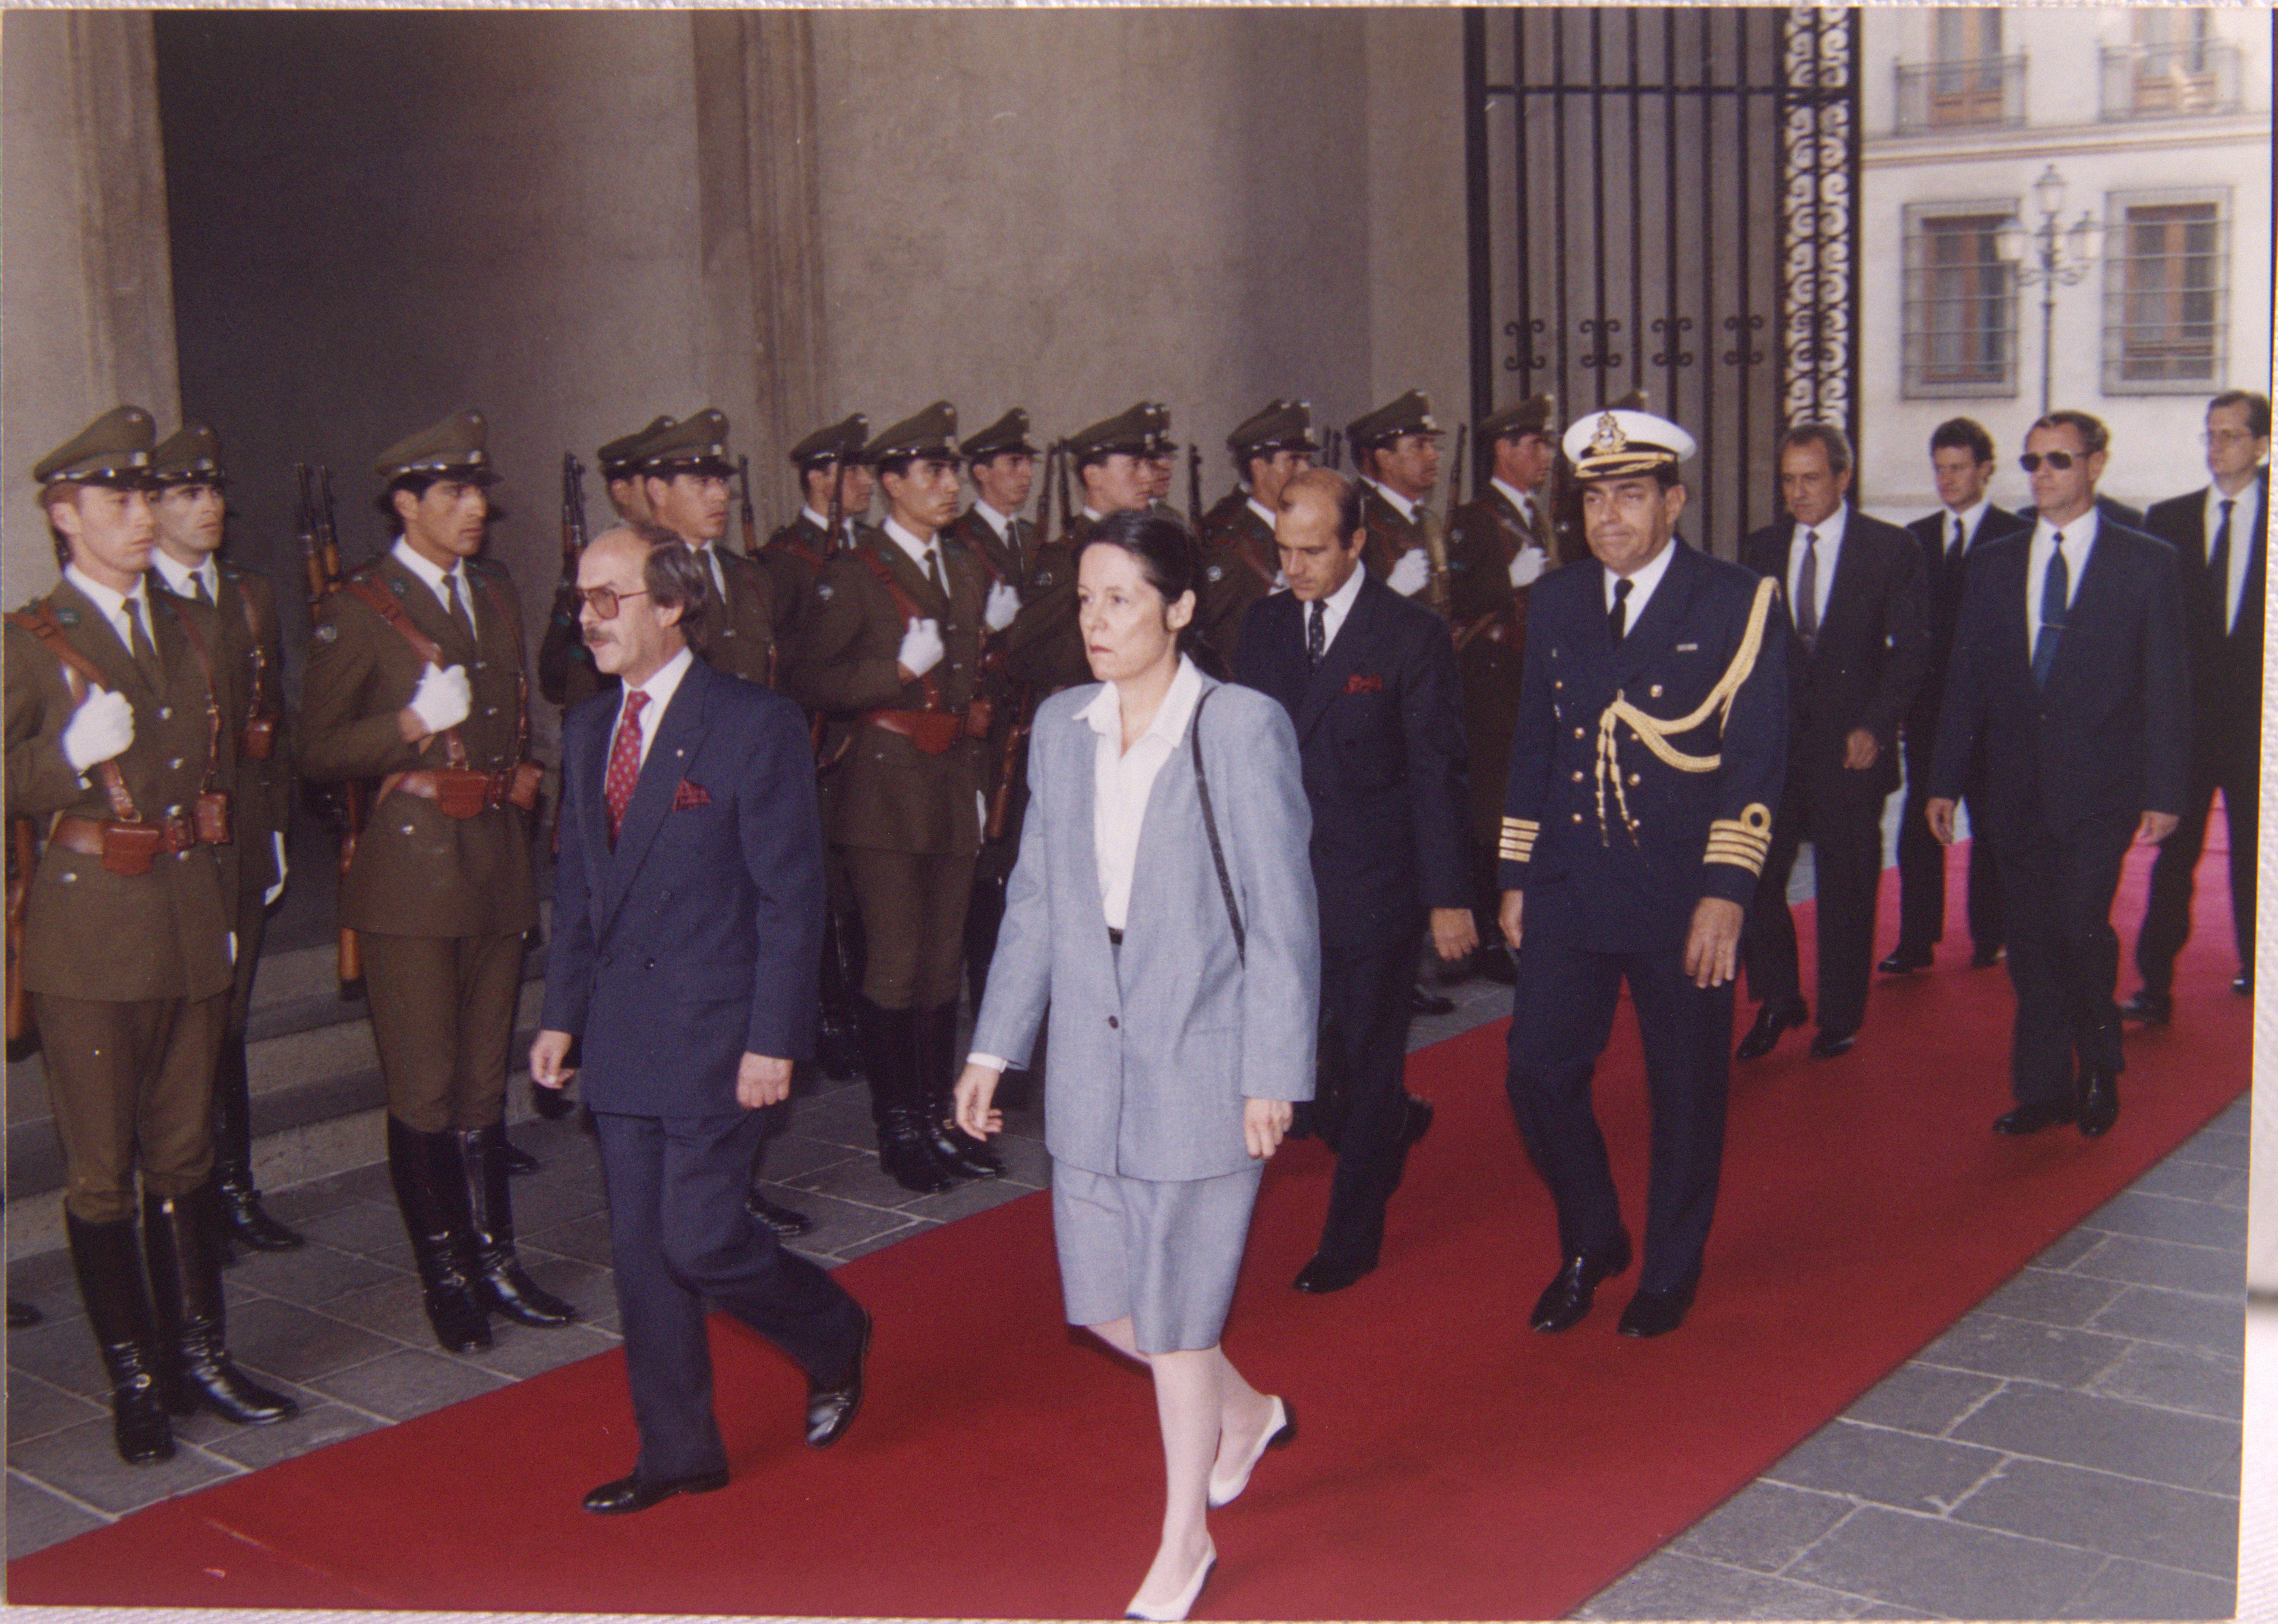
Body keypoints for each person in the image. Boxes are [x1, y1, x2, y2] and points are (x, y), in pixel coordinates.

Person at [954, 508, 1317, 1622]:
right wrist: (993, 1043)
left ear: (1181, 608)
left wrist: (1272, 1071)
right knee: (1106, 1308)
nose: (1096, 621)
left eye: (1121, 598)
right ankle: (1247, 1412)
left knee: (1172, 1323)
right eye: (1085, 599)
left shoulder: (1237, 728)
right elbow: (1033, 900)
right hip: (1090, 1071)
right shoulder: (1062, 725)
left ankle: (1183, 1541)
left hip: (1201, 1059)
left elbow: (1281, 915)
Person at [530, 522, 870, 1516]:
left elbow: (788, 896)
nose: (587, 619)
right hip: (627, 1036)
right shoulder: (591, 729)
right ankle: (678, 1450)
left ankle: (832, 1329)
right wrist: (561, 1016)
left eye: (608, 598)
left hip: (723, 1035)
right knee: (643, 1258)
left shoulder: (750, 723)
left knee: (702, 1240)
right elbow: (580, 888)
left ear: (671, 605)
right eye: (580, 599)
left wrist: (775, 1035)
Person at [5, 406, 297, 1463]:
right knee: (100, 1172)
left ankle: (199, 1355)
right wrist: (62, 761)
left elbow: (216, 778)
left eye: (146, 496)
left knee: (185, 1151)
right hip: (91, 938)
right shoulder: (29, 644)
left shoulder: (191, 629)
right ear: (63, 516)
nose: (142, 516)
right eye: (118, 500)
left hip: (187, 916)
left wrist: (226, 907)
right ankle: (133, 1377)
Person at [1499, 404, 1788, 1338]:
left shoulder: (1738, 601)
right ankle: (1594, 1237)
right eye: (1594, 499)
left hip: (1680, 895)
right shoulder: (1559, 598)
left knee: (1686, 1090)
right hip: (1571, 885)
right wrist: (1514, 874)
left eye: (1631, 496)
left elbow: (1756, 760)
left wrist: (1728, 894)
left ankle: (1671, 1263)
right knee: (1537, 1073)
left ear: (1676, 500)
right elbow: (1537, 741)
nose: (1610, 518)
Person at [299, 408, 576, 1353]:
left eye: (478, 493)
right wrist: (410, 726)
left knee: (481, 1086)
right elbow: (317, 747)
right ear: (407, 503)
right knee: (424, 1088)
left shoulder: (493, 591)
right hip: (411, 876)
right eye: (454, 493)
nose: (475, 509)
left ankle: (498, 1260)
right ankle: (448, 1278)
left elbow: (521, 715)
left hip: (493, 858)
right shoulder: (357, 608)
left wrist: (528, 772)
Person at [1233, 469, 1470, 1294]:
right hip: (1280, 883)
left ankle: (1351, 1234)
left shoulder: (1406, 634)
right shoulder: (1261, 628)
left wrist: (1446, 896)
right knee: (1308, 1079)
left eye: (1311, 551)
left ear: (1356, 543)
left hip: (1374, 881)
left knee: (1368, 1057)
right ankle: (1387, 1124)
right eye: (1283, 550)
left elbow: (1437, 771)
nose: (1292, 567)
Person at [1927, 410, 2189, 1141]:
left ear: (2094, 465)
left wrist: (2165, 790)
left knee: (2077, 926)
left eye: (2058, 461)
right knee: (2031, 940)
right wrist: (1942, 779)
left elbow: (2165, 683)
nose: (2041, 475)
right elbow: (1965, 681)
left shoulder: (2145, 562)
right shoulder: (1993, 562)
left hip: (2101, 786)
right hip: (2012, 787)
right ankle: (2043, 1088)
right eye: (2032, 461)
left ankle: (2099, 1061)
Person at [788, 402, 996, 1193]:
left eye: (949, 471)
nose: (948, 485)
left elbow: (976, 686)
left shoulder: (964, 567)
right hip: (882, 790)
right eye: (932, 472)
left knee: (943, 966)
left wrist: (980, 779)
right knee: (897, 961)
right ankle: (898, 1127)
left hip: (949, 784)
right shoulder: (853, 574)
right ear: (888, 484)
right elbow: (808, 678)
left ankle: (939, 1117)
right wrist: (893, 675)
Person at [144, 421, 303, 1254]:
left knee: (231, 1015)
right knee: (182, 1020)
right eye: (186, 494)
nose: (208, 508)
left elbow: (266, 723)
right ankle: (188, 1192)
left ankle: (236, 1187)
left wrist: (274, 829)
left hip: (239, 831)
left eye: (212, 492)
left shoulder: (248, 593)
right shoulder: (139, 601)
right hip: (173, 845)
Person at [1735, 425, 1928, 1061]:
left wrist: (1876, 725)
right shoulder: (1760, 548)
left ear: (1842, 479)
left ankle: (1839, 1015)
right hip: (1776, 748)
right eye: (1788, 480)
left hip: (1852, 749)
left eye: (1810, 478)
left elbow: (1911, 653)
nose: (1798, 492)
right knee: (1755, 877)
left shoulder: (1888, 549)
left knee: (1845, 884)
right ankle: (1778, 997)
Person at [2125, 389, 2269, 1022]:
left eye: (2230, 435)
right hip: (2185, 730)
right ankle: (2152, 986)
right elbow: (2147, 629)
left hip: (2258, 730)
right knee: (2172, 859)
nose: (2216, 447)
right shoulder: (2169, 519)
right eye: (2209, 435)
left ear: (2262, 445)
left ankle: (2256, 968)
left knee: (2254, 856)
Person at [1884, 418, 2026, 975]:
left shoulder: (2015, 536)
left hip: (1993, 716)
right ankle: (1914, 942)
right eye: (1939, 468)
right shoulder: (1913, 539)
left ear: (1985, 469)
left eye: (1958, 467)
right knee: (1919, 827)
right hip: (1928, 714)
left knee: (1990, 826)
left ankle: (1989, 936)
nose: (1946, 479)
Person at [1445, 393, 1558, 986]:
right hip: (1490, 685)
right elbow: (1457, 598)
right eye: (1533, 444)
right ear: (1504, 450)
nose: (1544, 454)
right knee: (1491, 811)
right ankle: (1490, 935)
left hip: (1527, 676)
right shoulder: (1473, 519)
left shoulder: (1534, 512)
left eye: (1545, 443)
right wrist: (1503, 581)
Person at [943, 407, 1039, 1006]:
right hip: (987, 729)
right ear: (980, 473)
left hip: (1029, 722)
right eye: (1012, 463)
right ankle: (987, 999)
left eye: (1027, 462)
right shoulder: (959, 544)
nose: (1024, 474)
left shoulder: (1033, 540)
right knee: (987, 869)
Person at [1007, 401, 1157, 695]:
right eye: (1134, 466)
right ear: (1093, 476)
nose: (1148, 478)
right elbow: (1022, 656)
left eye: (1148, 465)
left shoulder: (1144, 547)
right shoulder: (1066, 558)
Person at [636, 410, 775, 687]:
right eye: (702, 482)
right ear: (658, 491)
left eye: (722, 481)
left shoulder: (750, 576)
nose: (721, 495)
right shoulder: (639, 576)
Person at [1195, 399, 1318, 666]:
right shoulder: (1232, 546)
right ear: (1260, 468)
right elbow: (1205, 638)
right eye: (1293, 460)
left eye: (1307, 460)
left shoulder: (1305, 532)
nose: (1305, 471)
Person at [761, 412, 873, 647]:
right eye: (853, 471)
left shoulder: (875, 541)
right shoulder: (784, 555)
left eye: (866, 469)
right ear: (818, 480)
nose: (868, 480)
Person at [1346, 390, 1445, 600]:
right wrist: (1392, 592)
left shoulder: (1428, 520)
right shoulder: (1357, 520)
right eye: (1419, 445)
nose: (1433, 455)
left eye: (1432, 444)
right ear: (1385, 459)